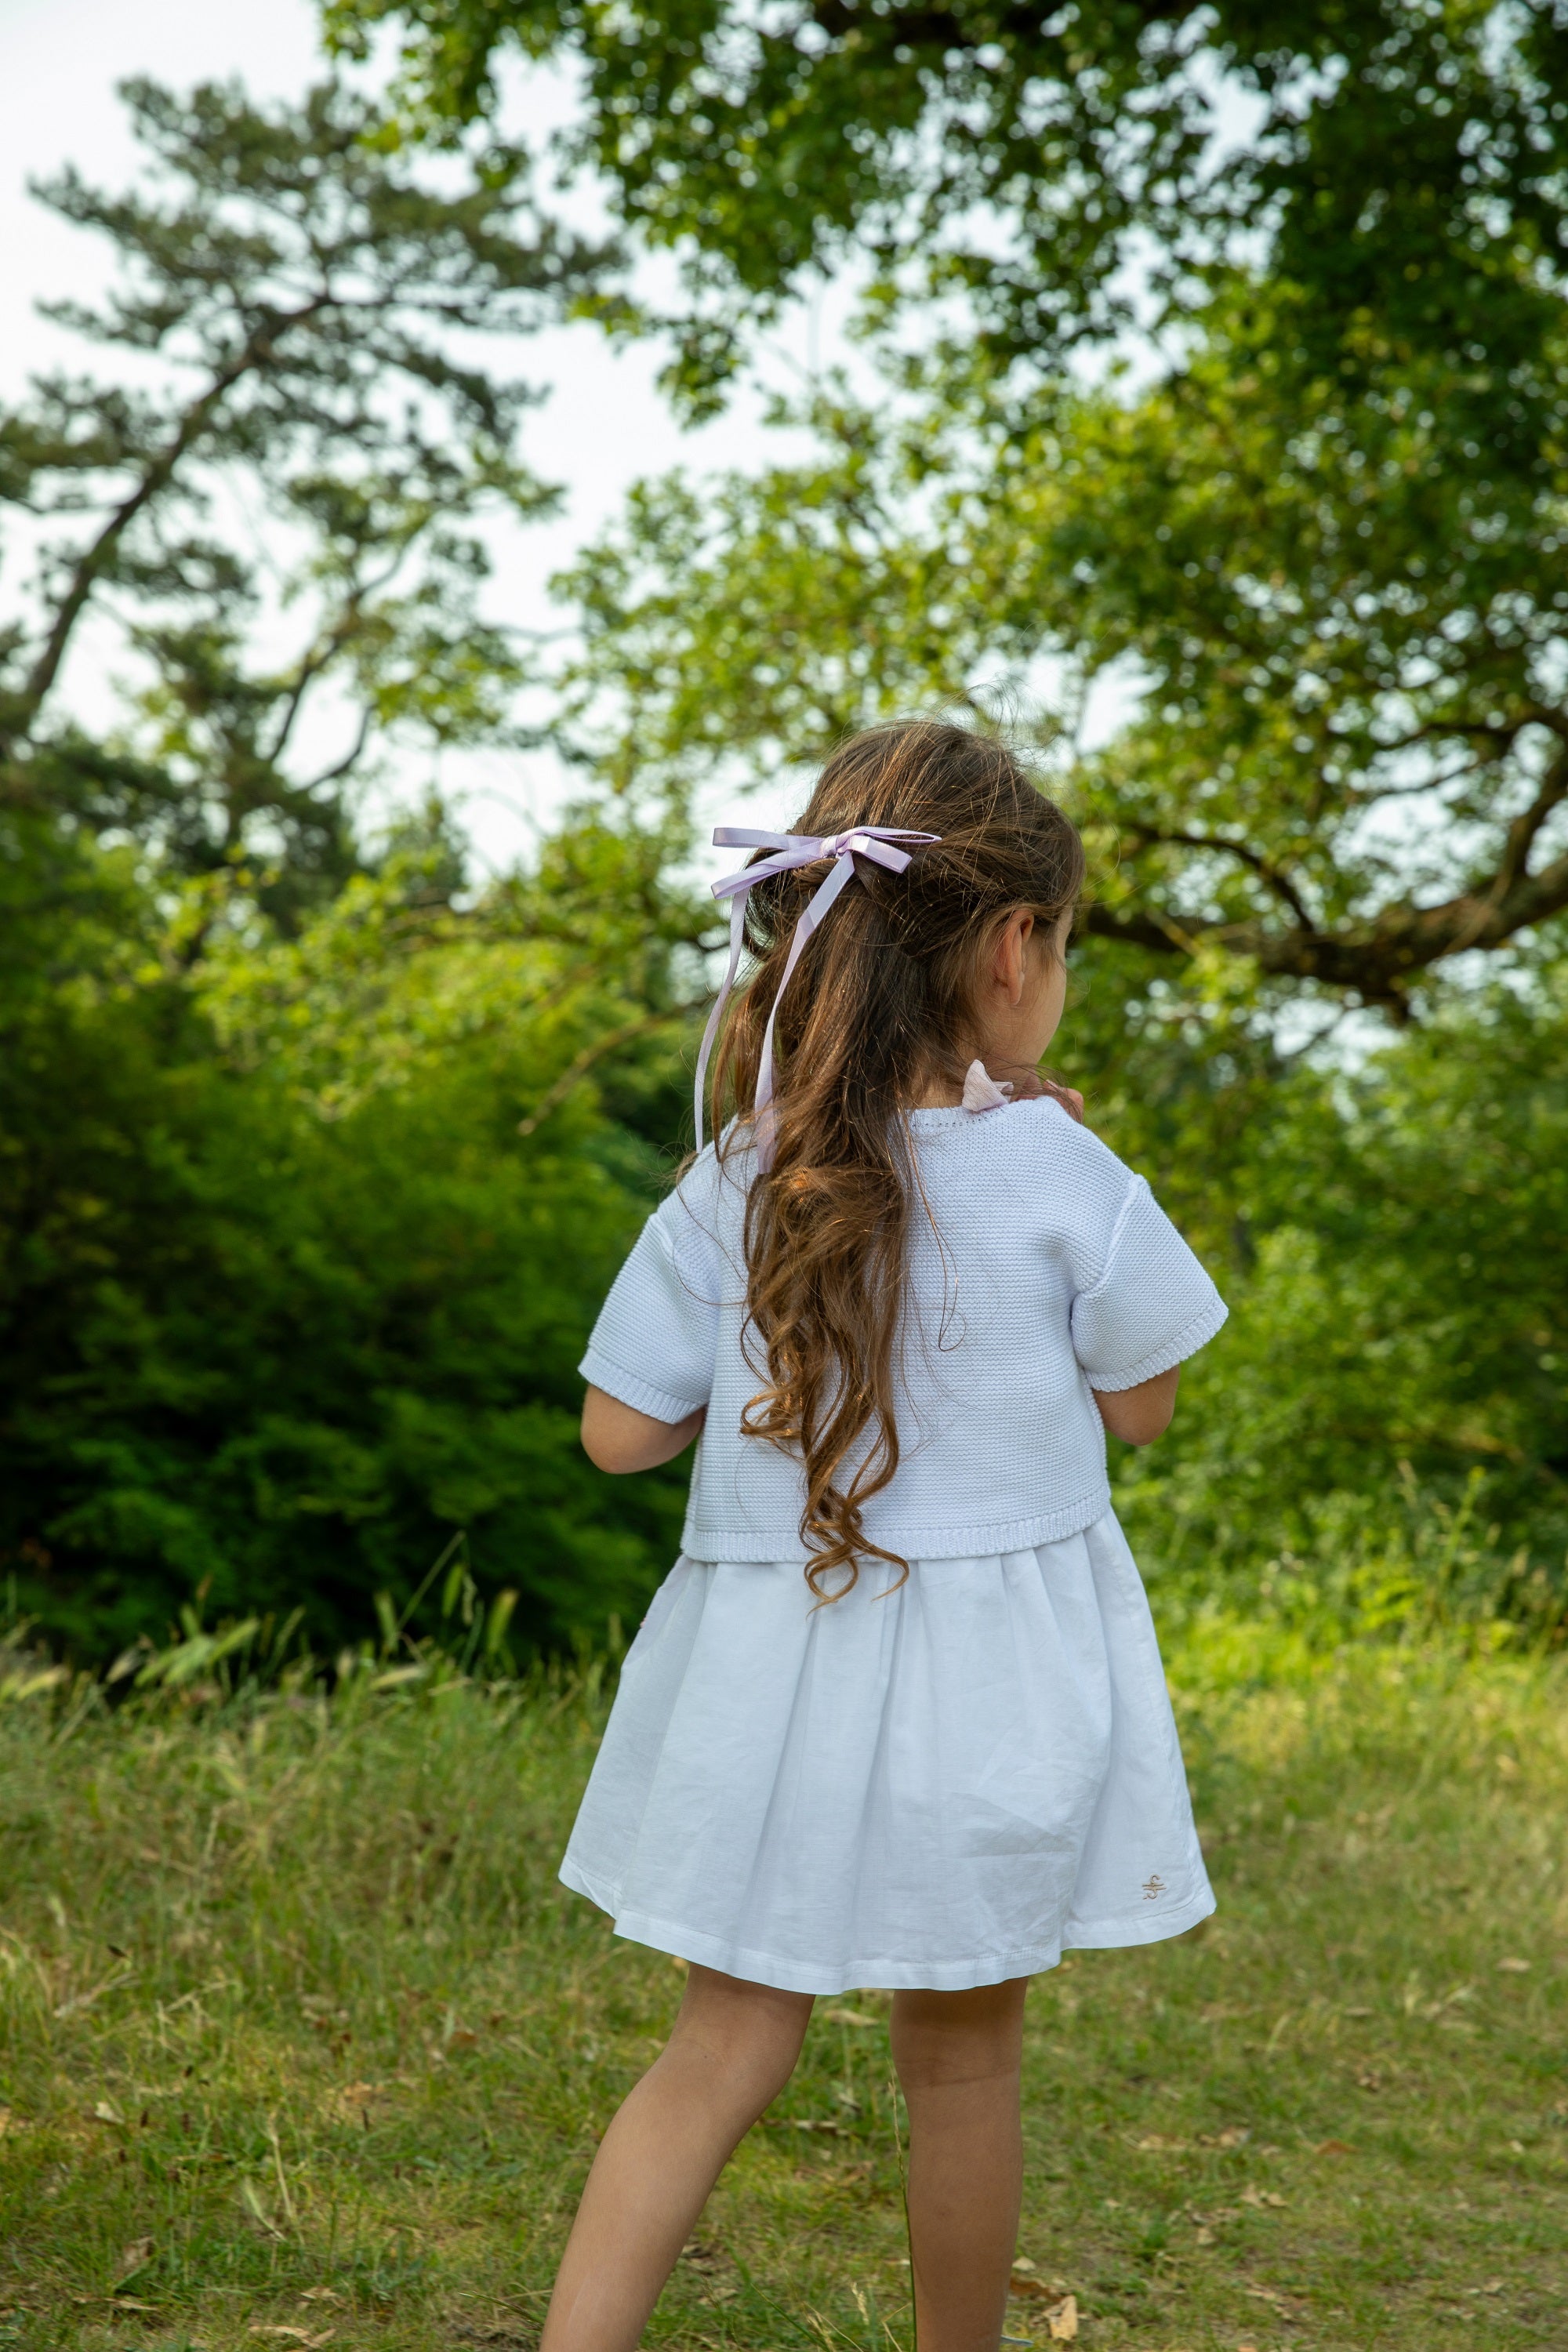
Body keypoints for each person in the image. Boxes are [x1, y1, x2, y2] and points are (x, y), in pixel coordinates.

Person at [543, 720, 1228, 2352]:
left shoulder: (737, 1178)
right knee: (964, 2064)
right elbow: (1145, 1407)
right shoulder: (1062, 1168)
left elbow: (618, 1436)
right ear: (1013, 949)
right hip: (992, 1702)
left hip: (764, 1699)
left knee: (719, 2049)